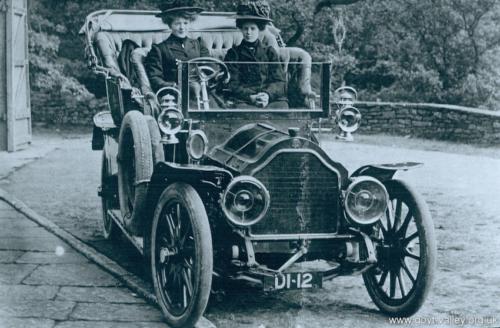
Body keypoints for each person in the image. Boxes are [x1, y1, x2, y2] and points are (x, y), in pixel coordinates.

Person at [144, 0, 219, 109]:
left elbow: (211, 66)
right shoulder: (159, 49)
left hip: (203, 93)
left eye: (185, 23)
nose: (182, 27)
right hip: (176, 96)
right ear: (170, 25)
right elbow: (155, 78)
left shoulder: (198, 44)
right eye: (177, 23)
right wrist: (175, 86)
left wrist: (214, 77)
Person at [224, 1, 289, 109]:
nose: (248, 32)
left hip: (269, 99)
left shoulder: (269, 52)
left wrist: (267, 95)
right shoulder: (233, 54)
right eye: (245, 28)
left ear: (259, 29)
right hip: (244, 99)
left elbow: (279, 81)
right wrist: (251, 97)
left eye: (253, 28)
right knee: (242, 112)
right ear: (241, 29)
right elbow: (232, 83)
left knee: (281, 107)